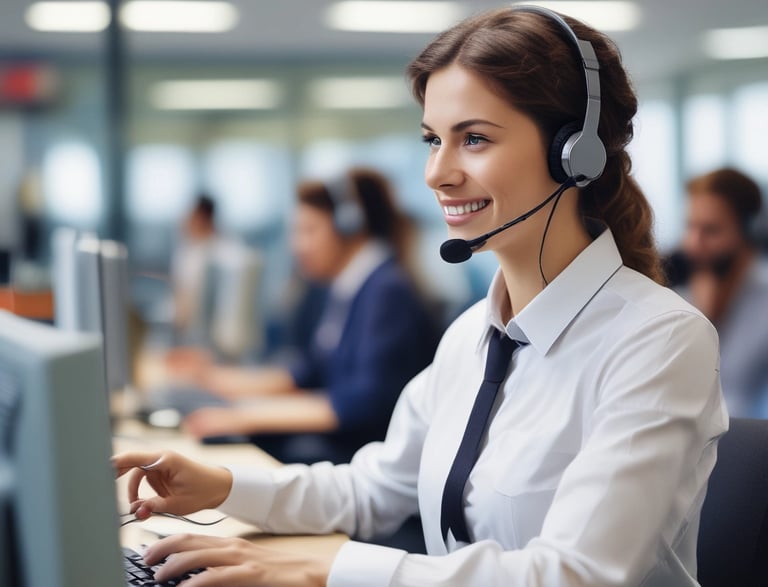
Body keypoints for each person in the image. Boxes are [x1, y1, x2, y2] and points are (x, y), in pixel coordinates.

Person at [114, 7, 727, 586]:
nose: (437, 173)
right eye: (434, 139)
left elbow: (572, 574)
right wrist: (222, 486)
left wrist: (320, 572)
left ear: (574, 155)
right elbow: (373, 489)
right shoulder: (472, 336)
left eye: (474, 139)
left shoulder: (659, 342)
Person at [170, 167, 440, 464]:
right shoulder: (348, 286)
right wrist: (214, 379)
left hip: (368, 456)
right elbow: (309, 372)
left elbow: (364, 402)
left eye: (309, 230)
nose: (297, 246)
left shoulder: (386, 290)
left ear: (348, 228)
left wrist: (246, 416)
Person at [671, 167, 768, 416]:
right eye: (690, 227)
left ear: (747, 229)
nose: (693, 243)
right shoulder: (680, 297)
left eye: (710, 230)